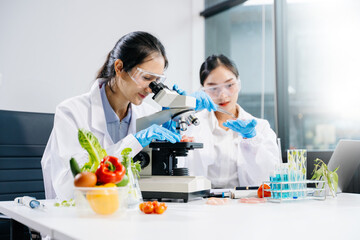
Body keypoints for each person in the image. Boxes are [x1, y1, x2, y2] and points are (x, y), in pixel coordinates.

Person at [41, 31, 215, 200]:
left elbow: (162, 181)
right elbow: (71, 186)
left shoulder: (147, 114)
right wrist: (134, 143)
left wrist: (170, 131)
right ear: (119, 68)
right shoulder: (71, 112)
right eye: (146, 78)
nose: (150, 89)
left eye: (156, 82)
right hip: (77, 217)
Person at [182, 54, 280, 189]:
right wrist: (181, 110)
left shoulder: (260, 127)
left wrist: (252, 140)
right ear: (203, 90)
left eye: (229, 85)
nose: (222, 95)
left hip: (244, 204)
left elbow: (269, 177)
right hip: (201, 204)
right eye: (213, 88)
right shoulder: (190, 125)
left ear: (239, 84)